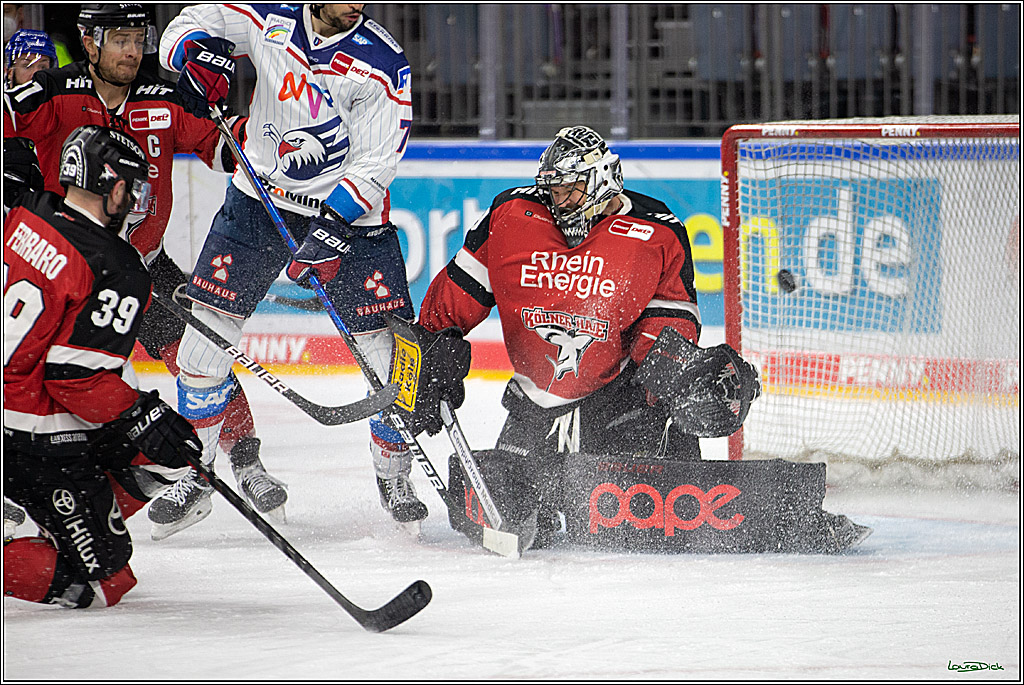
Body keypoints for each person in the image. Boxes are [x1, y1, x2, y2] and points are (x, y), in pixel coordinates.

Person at [2, 4, 285, 541]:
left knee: (200, 356)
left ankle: (244, 461)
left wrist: (269, 130)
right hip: (66, 277)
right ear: (89, 42)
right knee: (36, 379)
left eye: (139, 38)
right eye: (121, 40)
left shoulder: (166, 94)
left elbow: (227, 149)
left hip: (143, 268)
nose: (134, 51)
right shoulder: (53, 92)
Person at [157, 4, 423, 530]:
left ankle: (393, 472)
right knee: (203, 340)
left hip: (350, 216)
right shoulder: (265, 16)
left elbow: (377, 162)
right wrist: (192, 53)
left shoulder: (382, 61)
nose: (357, 6)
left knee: (390, 354)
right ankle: (197, 468)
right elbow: (182, 27)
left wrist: (331, 229)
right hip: (257, 200)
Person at [415, 125, 711, 545]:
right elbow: (456, 298)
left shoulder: (656, 231)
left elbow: (668, 328)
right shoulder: (511, 216)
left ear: (602, 180)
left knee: (639, 526)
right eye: (554, 192)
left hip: (617, 405)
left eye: (571, 190)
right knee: (493, 513)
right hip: (533, 410)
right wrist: (429, 353)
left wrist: (673, 378)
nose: (561, 202)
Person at [4, 125, 201, 608]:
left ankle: (70, 518)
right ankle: (67, 522)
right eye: (132, 188)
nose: (134, 200)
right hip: (29, 429)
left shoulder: (31, 211)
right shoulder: (118, 266)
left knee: (176, 452)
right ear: (114, 188)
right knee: (103, 586)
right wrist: (141, 413)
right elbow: (74, 378)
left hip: (27, 403)